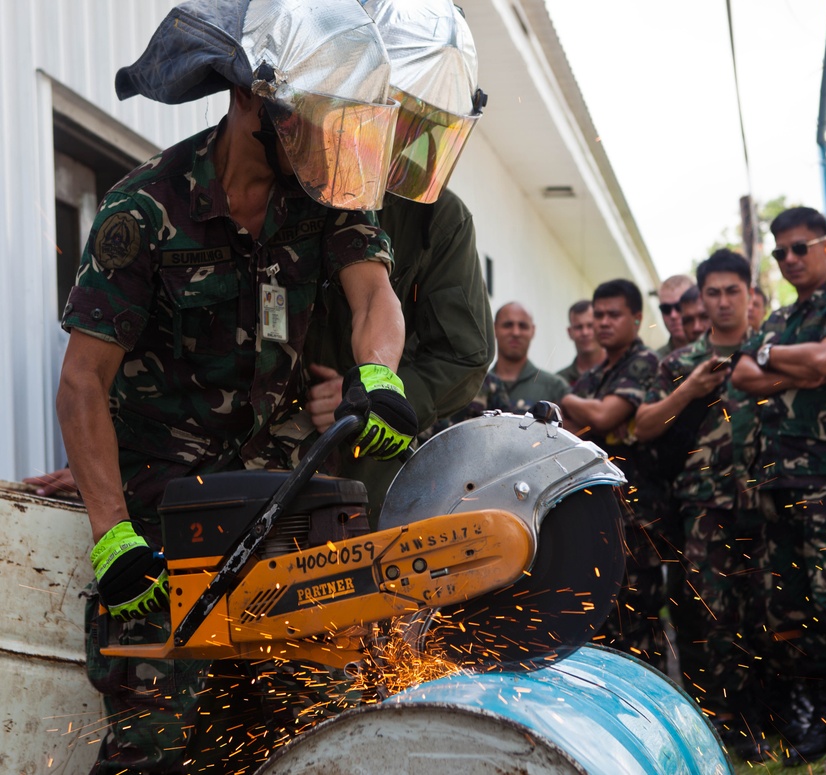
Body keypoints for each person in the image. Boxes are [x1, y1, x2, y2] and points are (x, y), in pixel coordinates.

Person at [56, 3, 416, 772]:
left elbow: (373, 294)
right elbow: (83, 383)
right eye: (311, 118)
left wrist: (379, 374)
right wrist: (112, 537)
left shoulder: (328, 193)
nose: (324, 139)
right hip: (162, 517)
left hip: (284, 506)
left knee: (306, 733)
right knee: (152, 748)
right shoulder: (143, 210)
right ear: (251, 99)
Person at [303, 0, 493, 520]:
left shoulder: (439, 218)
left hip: (372, 476)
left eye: (425, 123)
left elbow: (465, 354)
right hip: (254, 464)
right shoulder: (294, 173)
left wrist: (367, 397)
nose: (407, 138)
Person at [731, 206, 826, 771]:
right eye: (780, 253)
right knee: (793, 610)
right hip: (778, 486)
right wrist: (787, 361)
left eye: (800, 248)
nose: (791, 259)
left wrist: (780, 361)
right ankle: (822, 727)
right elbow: (743, 375)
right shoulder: (777, 323)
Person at [635, 249, 769, 762]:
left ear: (748, 293)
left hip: (769, 502)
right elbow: (643, 426)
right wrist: (689, 389)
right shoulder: (681, 363)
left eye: (731, 291)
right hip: (705, 507)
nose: (722, 301)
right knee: (711, 613)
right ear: (701, 297)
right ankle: (721, 724)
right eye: (711, 292)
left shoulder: (770, 350)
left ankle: (768, 717)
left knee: (767, 609)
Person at [559, 279, 665, 672]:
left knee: (638, 620)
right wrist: (593, 414)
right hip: (596, 513)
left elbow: (603, 418)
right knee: (600, 616)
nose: (603, 323)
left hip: (636, 516)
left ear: (636, 319)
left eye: (613, 315)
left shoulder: (643, 363)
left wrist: (565, 396)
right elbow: (572, 431)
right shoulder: (595, 377)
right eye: (598, 315)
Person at [489, 302, 570, 411]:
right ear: (494, 328)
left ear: (533, 331)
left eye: (523, 326)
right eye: (508, 325)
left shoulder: (555, 388)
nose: (516, 332)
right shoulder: (475, 387)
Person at [557, 299, 605, 388]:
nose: (585, 333)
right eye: (578, 327)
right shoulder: (559, 382)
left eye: (590, 326)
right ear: (569, 332)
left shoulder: (619, 372)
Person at [656, 274, 695, 357]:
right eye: (665, 309)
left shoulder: (718, 345)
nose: (673, 315)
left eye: (679, 307)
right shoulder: (655, 361)